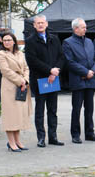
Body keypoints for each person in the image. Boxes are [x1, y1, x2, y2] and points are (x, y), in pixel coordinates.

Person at [25, 15, 65, 148]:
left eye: (42, 23)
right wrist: (50, 70)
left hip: (53, 79)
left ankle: (53, 136)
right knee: (40, 110)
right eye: (38, 23)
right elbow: (32, 61)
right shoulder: (30, 41)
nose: (41, 25)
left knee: (53, 109)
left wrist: (56, 71)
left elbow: (61, 56)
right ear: (34, 25)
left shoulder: (54, 38)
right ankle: (41, 137)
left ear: (46, 24)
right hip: (40, 79)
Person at [63, 18, 95, 144]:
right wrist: (85, 72)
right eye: (83, 27)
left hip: (90, 80)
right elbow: (69, 62)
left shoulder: (89, 41)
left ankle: (90, 132)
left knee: (89, 108)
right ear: (75, 29)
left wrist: (93, 71)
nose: (86, 29)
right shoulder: (68, 43)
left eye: (85, 27)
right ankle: (75, 134)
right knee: (77, 108)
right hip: (78, 80)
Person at [0, 32, 32, 152]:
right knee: (10, 115)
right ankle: (11, 142)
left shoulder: (20, 53)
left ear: (14, 41)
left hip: (22, 86)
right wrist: (20, 81)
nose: (6, 42)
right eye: (4, 40)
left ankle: (18, 141)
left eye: (9, 40)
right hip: (9, 87)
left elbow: (26, 68)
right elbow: (5, 71)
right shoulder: (0, 54)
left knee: (18, 115)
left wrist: (25, 81)